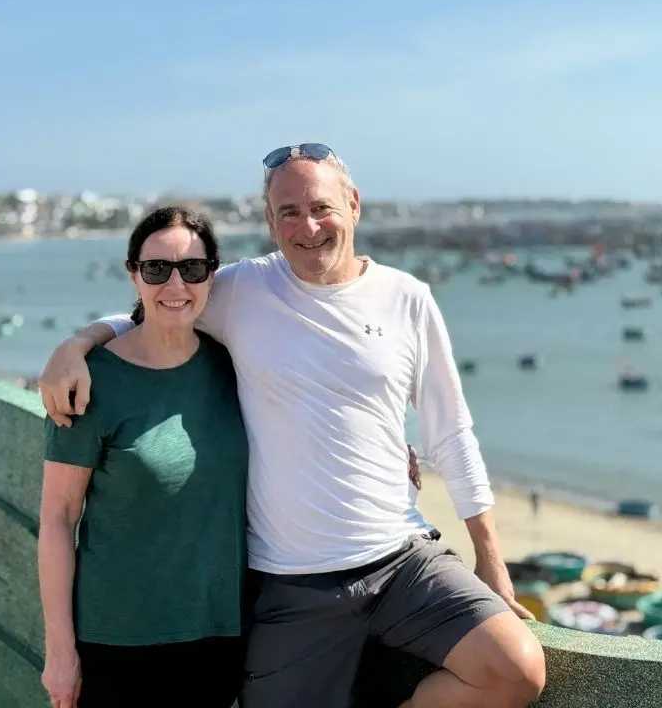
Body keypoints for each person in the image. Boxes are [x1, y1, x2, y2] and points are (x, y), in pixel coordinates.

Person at [39, 143, 546, 708]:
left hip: (403, 557)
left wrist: (490, 560)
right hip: (290, 583)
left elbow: (450, 433)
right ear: (269, 221)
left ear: (353, 205)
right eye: (288, 212)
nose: (308, 227)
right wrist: (76, 345)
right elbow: (160, 305)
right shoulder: (243, 289)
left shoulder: (408, 298)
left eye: (322, 207)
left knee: (516, 669)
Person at [37, 206, 248, 708]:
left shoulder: (234, 364)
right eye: (157, 269)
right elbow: (57, 520)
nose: (175, 283)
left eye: (192, 268)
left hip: (220, 634)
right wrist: (60, 652)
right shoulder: (89, 382)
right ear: (133, 275)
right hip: (116, 641)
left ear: (211, 275)